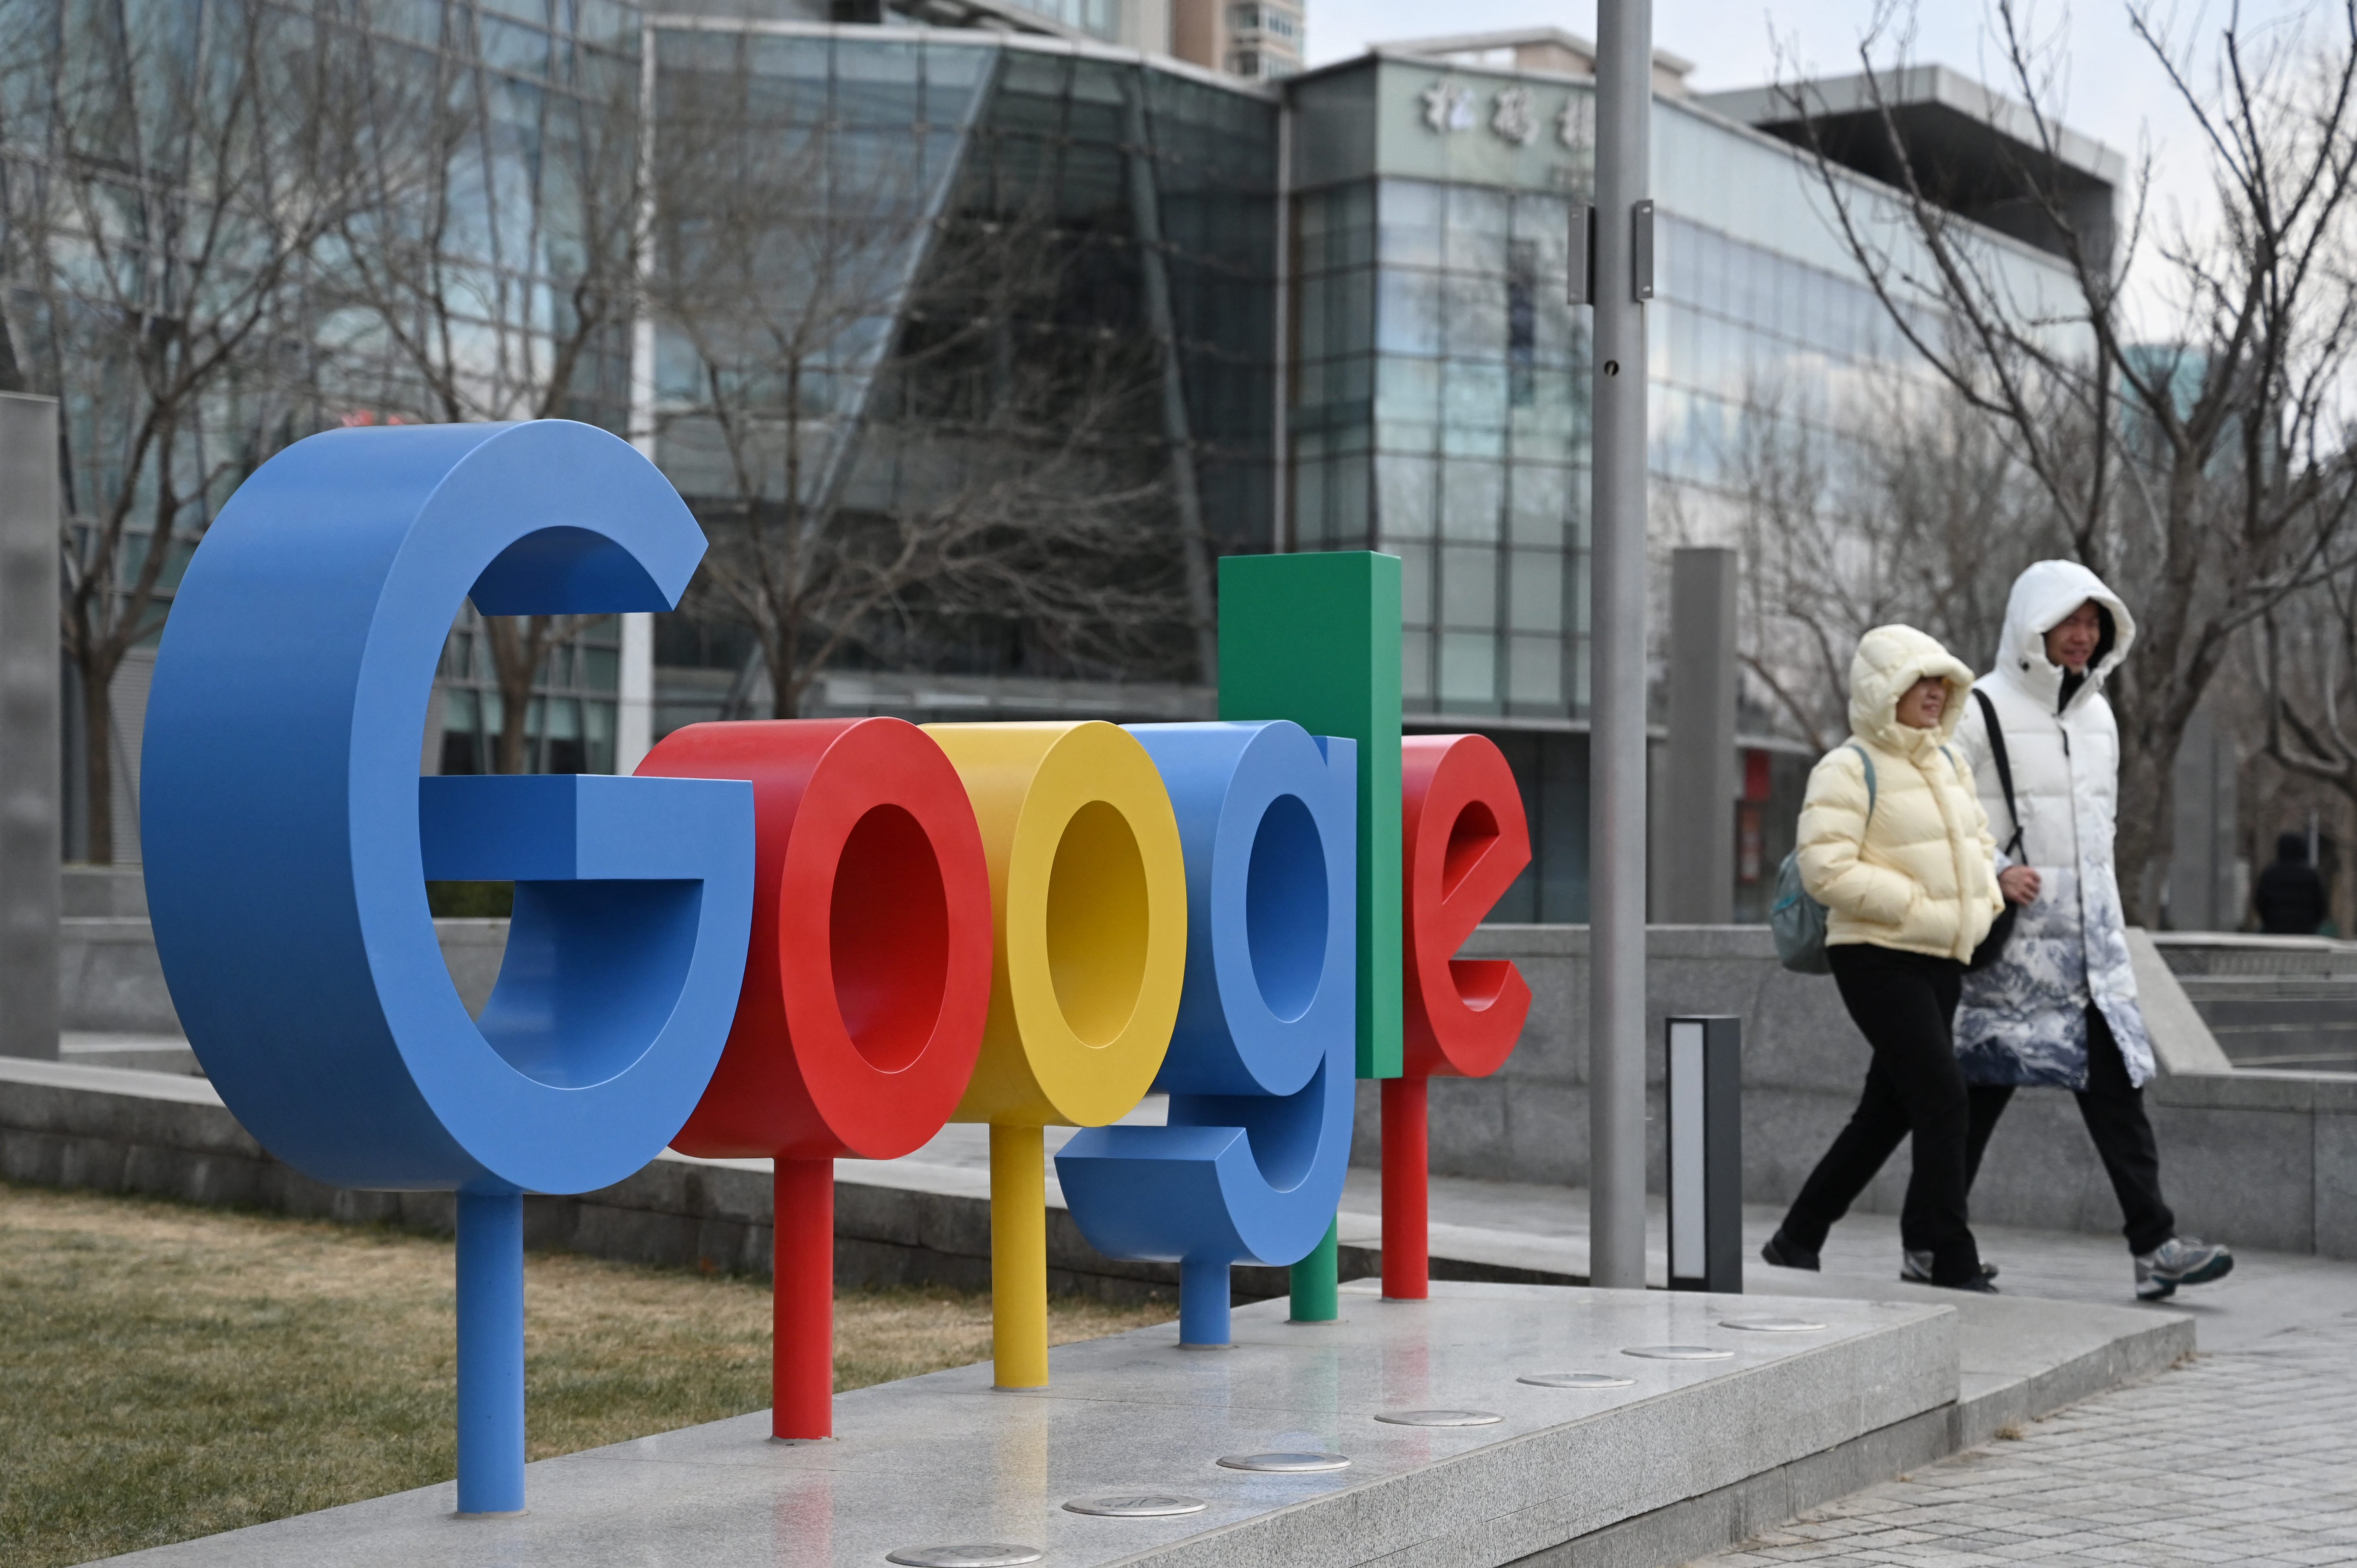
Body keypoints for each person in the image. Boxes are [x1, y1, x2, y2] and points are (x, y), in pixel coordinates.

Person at [1952, 561, 2233, 1302]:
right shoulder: (1978, 707)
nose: (2081, 636)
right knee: (1975, 1096)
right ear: (2030, 625)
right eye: (2067, 621)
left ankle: (2154, 1245)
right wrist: (1989, 872)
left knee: (2117, 1090)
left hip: (2088, 950)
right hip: (2010, 945)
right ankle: (1932, 1241)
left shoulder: (2099, 712)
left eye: (2093, 623)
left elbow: (2097, 830)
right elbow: (1940, 814)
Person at [1761, 625, 2012, 1291]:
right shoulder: (1847, 767)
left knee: (1888, 1110)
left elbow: (1981, 846)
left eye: (1941, 682)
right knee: (1943, 1099)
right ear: (1883, 691)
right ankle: (1945, 1254)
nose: (1933, 693)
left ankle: (1797, 1237)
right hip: (1875, 954)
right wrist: (1907, 903)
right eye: (1917, 681)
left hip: (1940, 957)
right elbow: (1824, 867)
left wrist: (1982, 903)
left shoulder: (1949, 763)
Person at [2254, 832, 2329, 935]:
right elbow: (2320, 904)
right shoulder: (2311, 875)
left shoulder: (2269, 874)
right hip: (2305, 930)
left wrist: (2270, 920)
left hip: (2274, 929)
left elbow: (2260, 902)